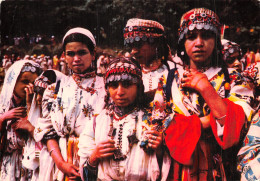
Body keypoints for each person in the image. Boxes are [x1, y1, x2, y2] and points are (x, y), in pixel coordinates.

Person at [152, 8, 254, 180]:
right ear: (183, 42)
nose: (199, 43)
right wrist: (207, 122)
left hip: (222, 169)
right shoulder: (168, 79)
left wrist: (206, 89)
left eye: (206, 36)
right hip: (178, 168)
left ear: (216, 41)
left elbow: (237, 127)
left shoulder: (236, 78)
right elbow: (157, 125)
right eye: (192, 37)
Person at [78, 56, 171, 181]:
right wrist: (94, 158)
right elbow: (85, 174)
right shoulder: (97, 122)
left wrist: (159, 150)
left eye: (127, 85)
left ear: (138, 87)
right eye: (114, 85)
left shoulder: (153, 121)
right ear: (107, 88)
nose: (120, 92)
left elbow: (165, 170)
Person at [33, 27, 106, 181]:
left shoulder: (106, 87)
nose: (76, 58)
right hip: (61, 163)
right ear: (64, 57)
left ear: (93, 54)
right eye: (70, 54)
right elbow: (47, 132)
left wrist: (90, 161)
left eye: (82, 52)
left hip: (95, 161)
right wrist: (61, 164)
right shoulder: (55, 89)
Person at [0, 60, 42, 180]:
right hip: (10, 163)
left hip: (30, 164)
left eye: (34, 83)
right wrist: (3, 118)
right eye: (24, 82)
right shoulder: (3, 104)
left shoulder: (40, 104)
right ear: (13, 82)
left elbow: (38, 135)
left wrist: (30, 106)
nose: (30, 87)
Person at [22, 69, 66, 181]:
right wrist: (29, 103)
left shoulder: (61, 118)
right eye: (37, 93)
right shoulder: (42, 111)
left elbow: (47, 137)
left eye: (43, 94)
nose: (38, 98)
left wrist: (31, 129)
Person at [123, 18, 175, 101]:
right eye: (131, 46)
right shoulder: (129, 72)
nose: (133, 51)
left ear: (156, 44)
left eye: (138, 45)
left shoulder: (173, 71)